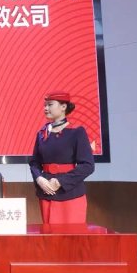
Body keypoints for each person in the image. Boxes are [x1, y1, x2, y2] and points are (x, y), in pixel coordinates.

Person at [29, 91, 95, 224]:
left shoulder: (76, 132)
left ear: (63, 107)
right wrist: (39, 179)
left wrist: (60, 182)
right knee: (49, 234)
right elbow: (34, 162)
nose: (45, 108)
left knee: (71, 235)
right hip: (47, 191)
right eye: (45, 105)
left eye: (50, 105)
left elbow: (87, 166)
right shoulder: (42, 133)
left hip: (70, 193)